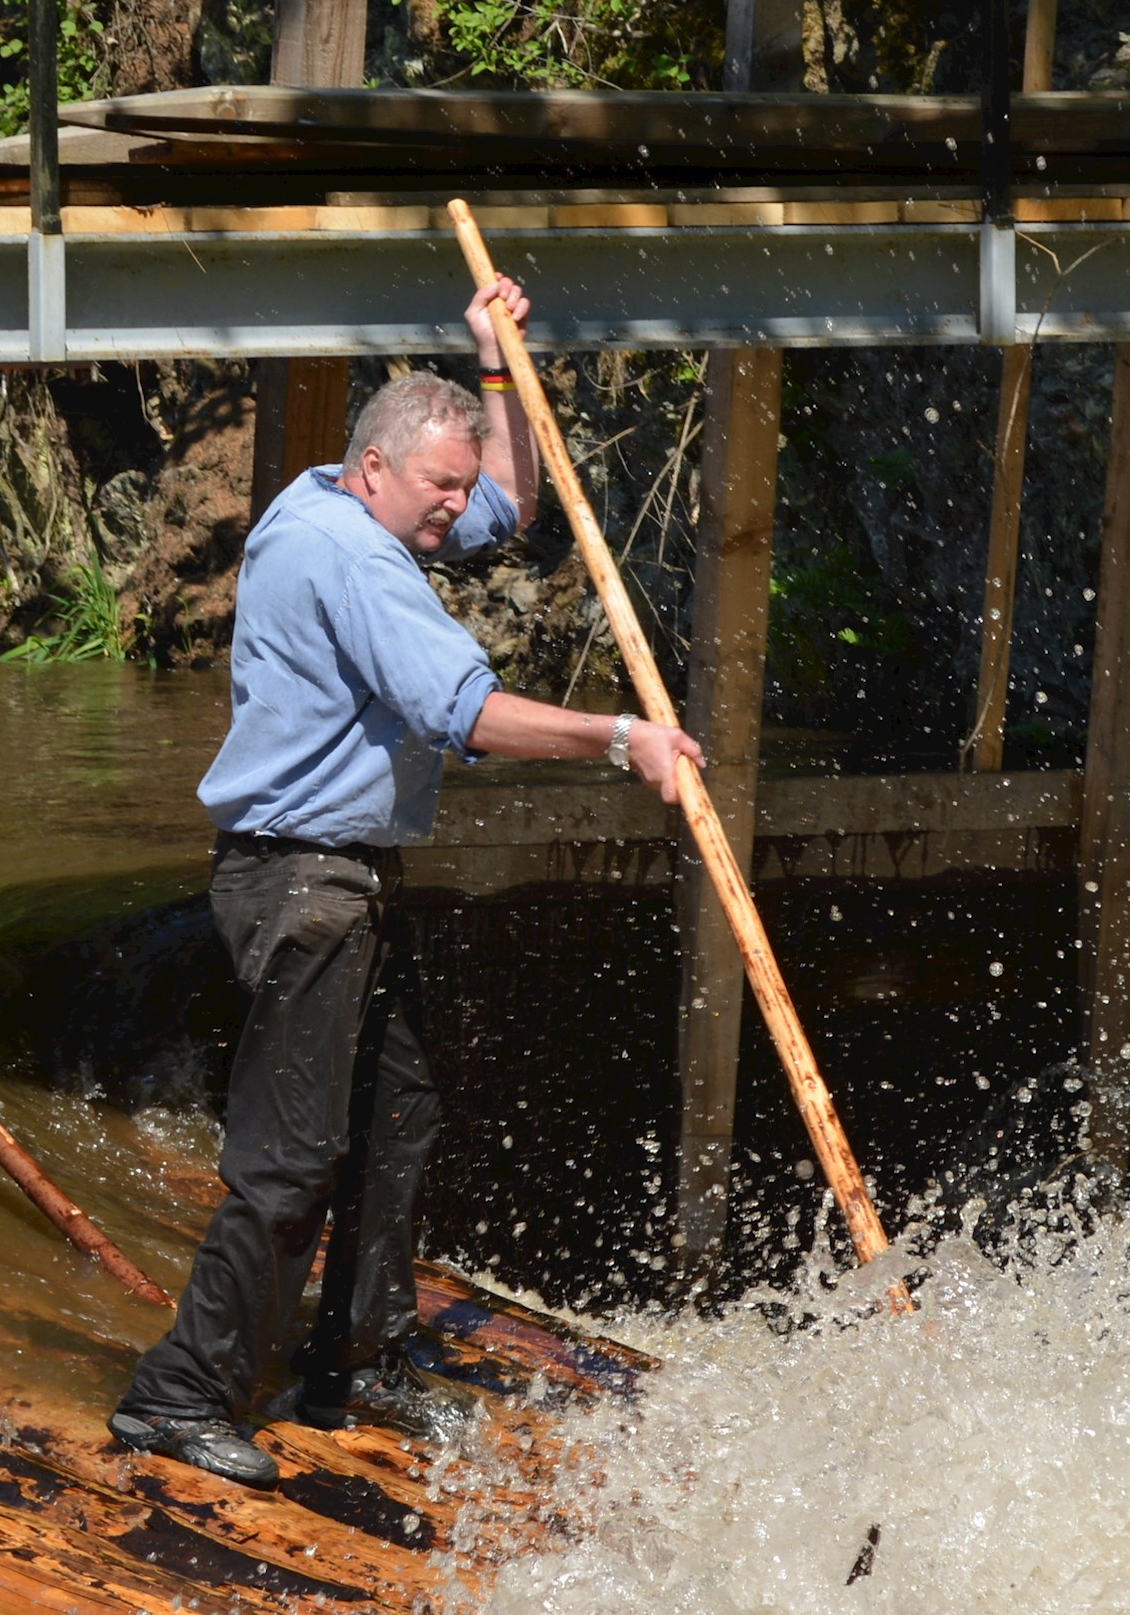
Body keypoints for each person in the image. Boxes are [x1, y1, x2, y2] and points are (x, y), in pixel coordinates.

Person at [106, 285, 705, 1489]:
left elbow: (513, 509)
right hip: (301, 882)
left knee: (399, 1114)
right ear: (374, 466)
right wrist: (616, 738)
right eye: (436, 488)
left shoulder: (329, 500)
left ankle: (352, 1361)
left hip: (340, 876)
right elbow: (463, 712)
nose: (454, 510)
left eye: (453, 486)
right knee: (290, 1156)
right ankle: (178, 1395)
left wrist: (497, 368)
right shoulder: (355, 563)